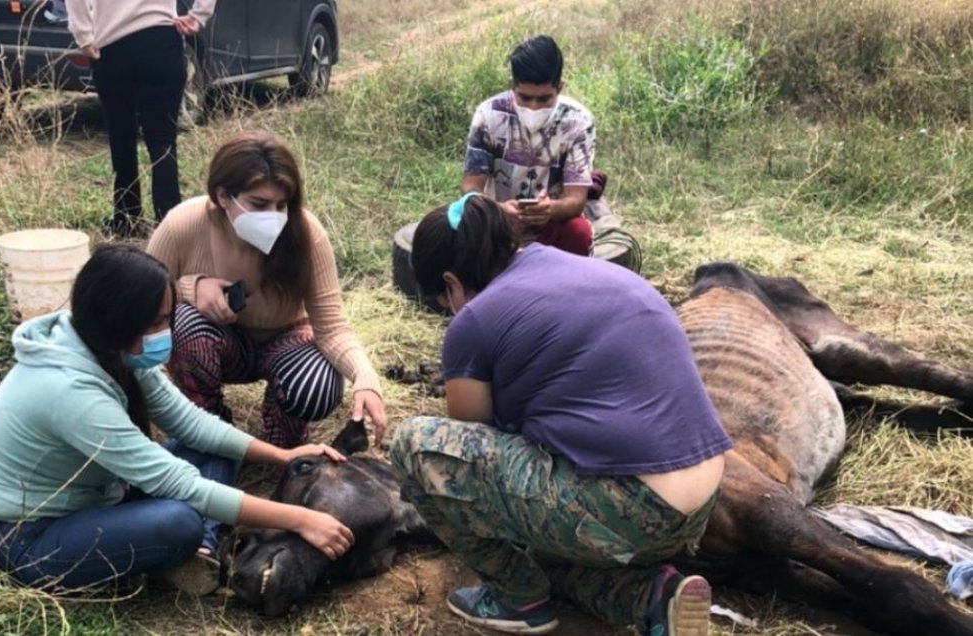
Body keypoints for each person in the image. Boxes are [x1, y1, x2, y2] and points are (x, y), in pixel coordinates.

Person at [389, 193, 732, 635]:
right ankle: (654, 598)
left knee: (414, 446)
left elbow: (467, 442)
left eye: (443, 299)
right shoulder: (582, 268)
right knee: (551, 546)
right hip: (699, 503)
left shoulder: (472, 321)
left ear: (452, 282)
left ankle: (517, 599)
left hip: (627, 505)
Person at [0, 244, 355, 595]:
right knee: (177, 522)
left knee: (216, 445)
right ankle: (184, 544)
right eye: (154, 322)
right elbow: (177, 483)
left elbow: (189, 422)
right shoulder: (69, 392)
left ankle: (197, 551)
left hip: (103, 493)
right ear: (119, 321)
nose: (164, 333)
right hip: (34, 536)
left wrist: (280, 456)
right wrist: (301, 519)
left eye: (165, 319)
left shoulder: (113, 348)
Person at [146, 131, 387, 450]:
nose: (272, 216)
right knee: (185, 322)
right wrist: (190, 288)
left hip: (285, 341)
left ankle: (282, 436)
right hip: (220, 341)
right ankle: (209, 427)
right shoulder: (182, 225)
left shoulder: (307, 235)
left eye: (281, 205)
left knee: (316, 386)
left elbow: (332, 328)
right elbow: (143, 297)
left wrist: (365, 378)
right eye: (258, 204)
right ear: (222, 196)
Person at [461, 34, 639, 269]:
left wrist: (550, 209)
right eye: (524, 98)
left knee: (579, 232)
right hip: (499, 222)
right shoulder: (488, 115)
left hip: (550, 223)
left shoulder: (577, 121)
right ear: (512, 86)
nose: (533, 107)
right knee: (460, 225)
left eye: (544, 99)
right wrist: (499, 211)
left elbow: (576, 200)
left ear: (560, 88)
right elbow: (471, 187)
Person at [65, 0, 214, 237]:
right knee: (162, 139)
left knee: (120, 135)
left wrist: (83, 35)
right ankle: (169, 223)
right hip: (161, 41)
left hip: (112, 46)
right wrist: (198, 15)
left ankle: (126, 218)